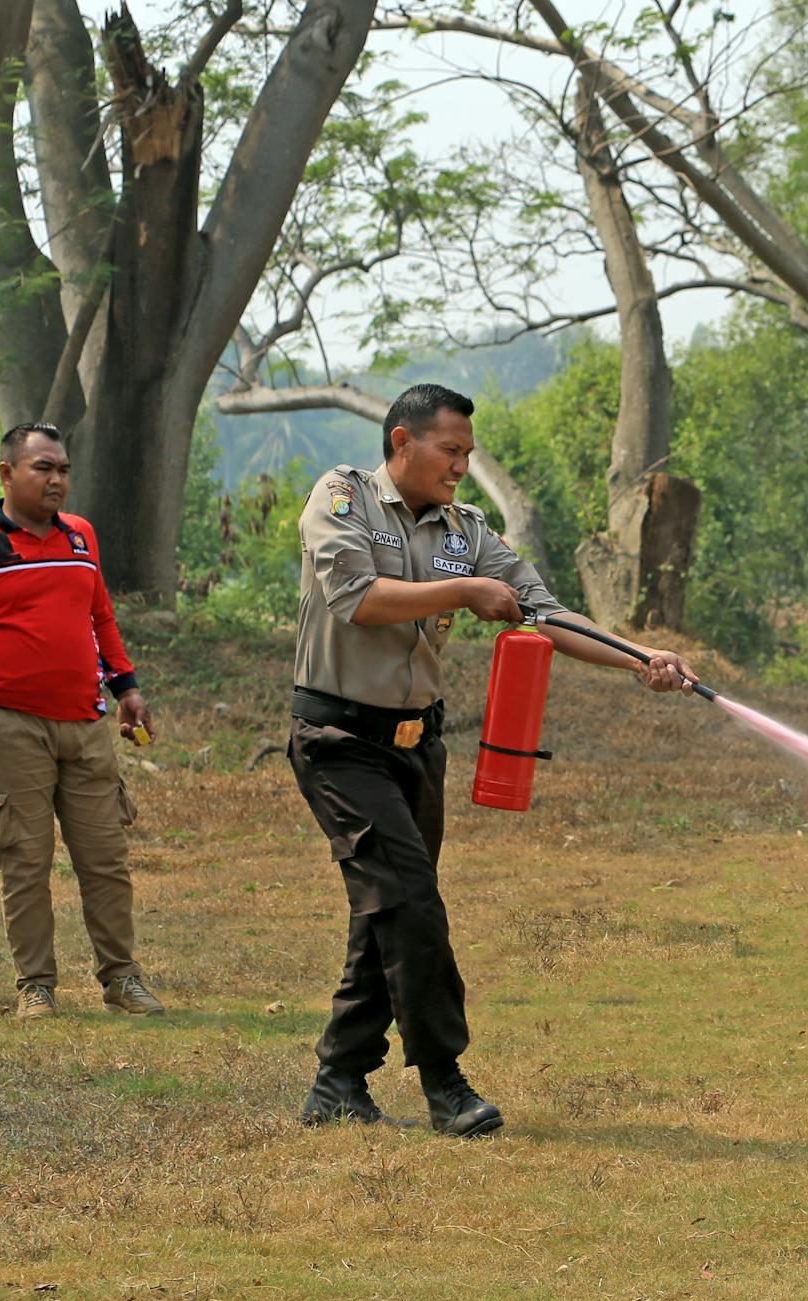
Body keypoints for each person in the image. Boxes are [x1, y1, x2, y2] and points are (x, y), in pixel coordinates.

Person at [291, 382, 698, 1137]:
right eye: (451, 451)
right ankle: (446, 1084)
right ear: (402, 443)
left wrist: (639, 656)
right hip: (340, 743)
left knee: (386, 914)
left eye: (469, 456)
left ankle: (338, 1083)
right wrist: (468, 589)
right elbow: (355, 596)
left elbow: (543, 611)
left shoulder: (465, 531)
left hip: (419, 746)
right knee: (410, 903)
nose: (460, 468)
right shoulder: (342, 497)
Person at [0, 422, 165, 1021]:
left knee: (106, 859)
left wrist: (126, 688)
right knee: (24, 862)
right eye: (42, 468)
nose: (57, 480)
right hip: (7, 727)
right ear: (7, 473)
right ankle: (36, 986)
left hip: (85, 723)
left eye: (63, 469)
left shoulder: (80, 537)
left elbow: (100, 618)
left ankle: (121, 979)